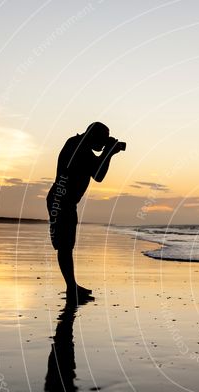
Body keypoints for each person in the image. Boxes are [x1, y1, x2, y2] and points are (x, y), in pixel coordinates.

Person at [46, 121, 125, 301]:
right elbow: (98, 175)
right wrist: (108, 153)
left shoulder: (76, 145)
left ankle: (71, 286)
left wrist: (107, 152)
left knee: (67, 246)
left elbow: (96, 170)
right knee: (65, 246)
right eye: (102, 140)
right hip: (61, 201)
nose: (103, 144)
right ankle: (71, 288)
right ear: (92, 135)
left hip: (64, 201)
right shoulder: (78, 147)